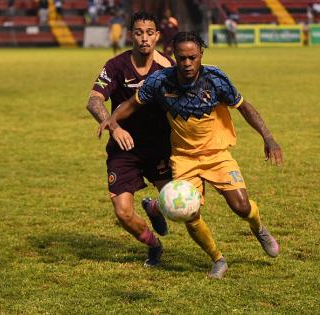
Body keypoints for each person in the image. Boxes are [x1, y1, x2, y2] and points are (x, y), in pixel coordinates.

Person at [99, 31, 283, 279]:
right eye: (182, 58)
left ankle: (258, 228)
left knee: (240, 206)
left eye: (192, 58)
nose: (187, 63)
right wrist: (112, 121)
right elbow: (132, 104)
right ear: (174, 56)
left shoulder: (216, 79)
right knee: (189, 213)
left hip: (216, 153)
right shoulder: (160, 81)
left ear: (201, 56)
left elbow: (244, 106)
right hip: (184, 158)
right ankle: (217, 259)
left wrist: (268, 137)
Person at [86, 12, 175, 267]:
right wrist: (114, 127)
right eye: (138, 33)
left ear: (157, 36)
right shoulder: (115, 65)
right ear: (130, 35)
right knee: (123, 213)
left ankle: (155, 207)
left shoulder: (168, 67)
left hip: (159, 147)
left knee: (177, 204)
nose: (144, 38)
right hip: (124, 149)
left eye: (149, 33)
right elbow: (93, 100)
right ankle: (154, 246)